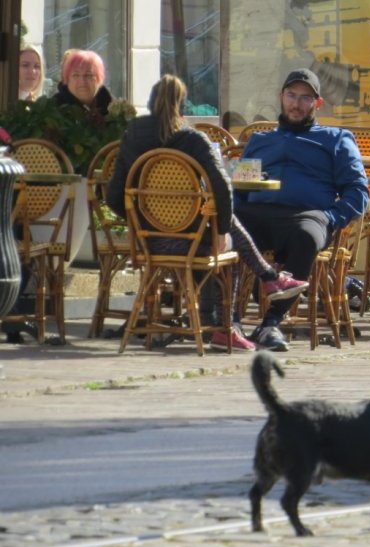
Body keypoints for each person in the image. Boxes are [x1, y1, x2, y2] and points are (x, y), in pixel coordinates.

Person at [107, 75, 309, 352]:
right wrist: (222, 230)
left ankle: (263, 283)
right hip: (190, 241)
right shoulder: (193, 139)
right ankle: (229, 323)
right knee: (227, 240)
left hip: (149, 241)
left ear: (152, 101)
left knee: (218, 228)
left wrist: (142, 223)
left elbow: (114, 196)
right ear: (182, 104)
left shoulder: (132, 135)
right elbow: (223, 188)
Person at [234, 68, 369, 352]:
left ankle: (271, 322)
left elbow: (358, 191)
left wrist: (330, 218)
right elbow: (239, 189)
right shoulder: (260, 141)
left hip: (306, 217)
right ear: (281, 97)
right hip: (258, 215)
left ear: (317, 104)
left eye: (305, 98)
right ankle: (227, 320)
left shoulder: (336, 139)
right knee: (224, 225)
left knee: (306, 235)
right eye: (291, 96)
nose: (296, 104)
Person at [53, 49, 113, 116]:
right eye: (75, 75)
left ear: (99, 79)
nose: (82, 81)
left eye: (88, 75)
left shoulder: (114, 111)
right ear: (67, 79)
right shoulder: (53, 111)